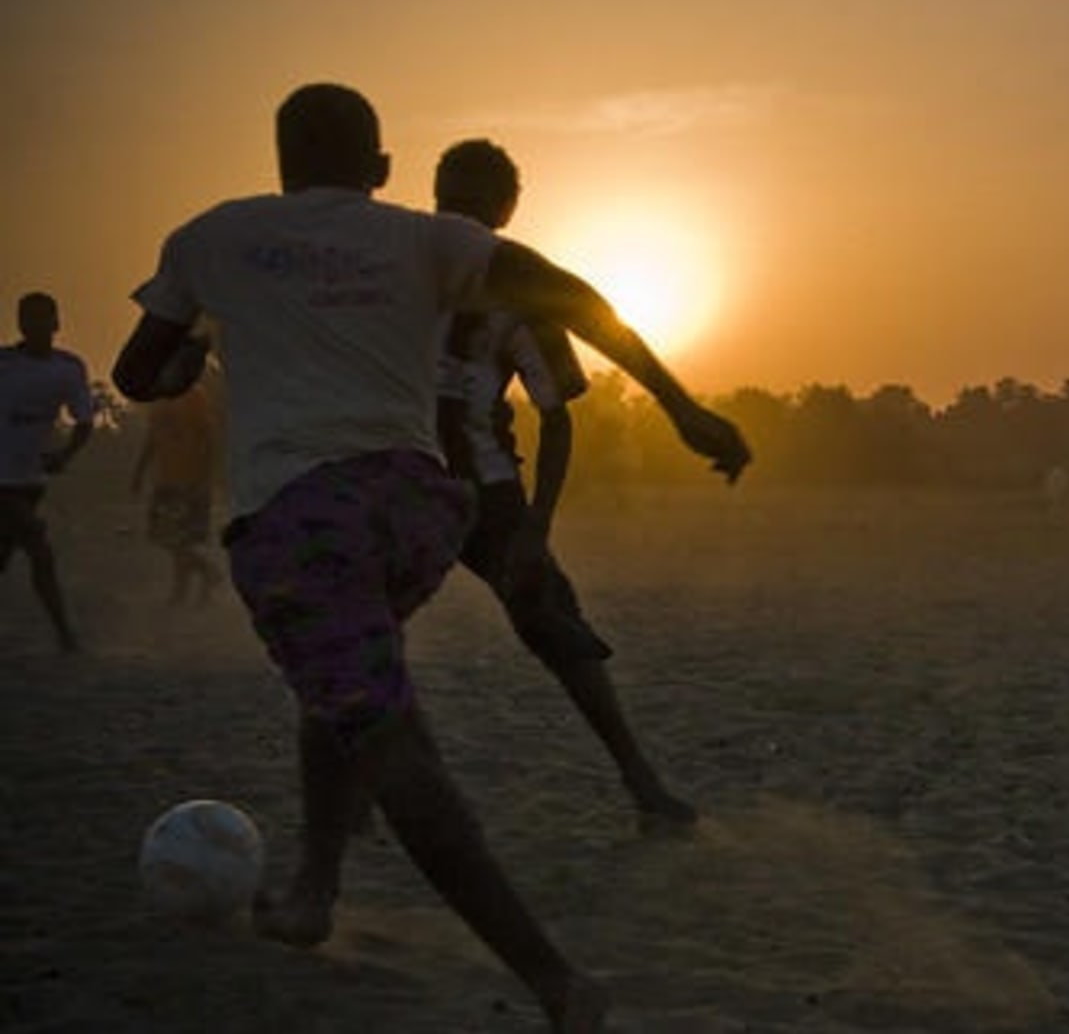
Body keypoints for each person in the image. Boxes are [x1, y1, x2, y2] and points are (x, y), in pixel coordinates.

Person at [113, 82, 751, 1032]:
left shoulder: (211, 237)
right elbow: (573, 296)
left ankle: (556, 982)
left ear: (280, 167)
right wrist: (682, 408)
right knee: (340, 679)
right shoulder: (426, 240)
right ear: (381, 169)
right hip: (420, 511)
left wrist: (191, 353)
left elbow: (136, 373)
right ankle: (315, 890)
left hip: (303, 521)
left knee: (390, 741)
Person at [429, 139, 698, 829]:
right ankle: (642, 784)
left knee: (354, 635)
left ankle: (350, 805)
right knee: (555, 632)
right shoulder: (515, 291)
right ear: (509, 208)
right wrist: (534, 524)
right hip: (475, 490)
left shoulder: (387, 266)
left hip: (402, 480)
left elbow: (556, 416)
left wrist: (534, 528)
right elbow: (556, 419)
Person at [1, 292, 94, 652]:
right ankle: (66, 635)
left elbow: (84, 422)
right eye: (30, 319)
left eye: (44, 318)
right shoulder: (5, 364)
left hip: (30, 479)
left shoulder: (68, 368)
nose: (37, 326)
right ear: (20, 324)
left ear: (56, 322)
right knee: (38, 545)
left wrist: (65, 454)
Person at [130, 374, 223, 605]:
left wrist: (203, 479)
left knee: (180, 539)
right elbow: (152, 439)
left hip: (189, 481)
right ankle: (205, 576)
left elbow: (209, 440)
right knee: (169, 538)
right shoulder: (157, 400)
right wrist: (139, 472)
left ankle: (190, 587)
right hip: (165, 481)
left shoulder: (193, 396)